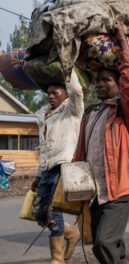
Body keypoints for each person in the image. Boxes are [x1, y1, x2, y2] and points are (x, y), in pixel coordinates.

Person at [72, 22, 129, 263]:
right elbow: (80, 153)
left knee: (105, 242)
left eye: (107, 79)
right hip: (94, 191)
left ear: (118, 83)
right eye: (98, 80)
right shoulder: (91, 114)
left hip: (118, 191)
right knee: (99, 244)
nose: (100, 84)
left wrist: (123, 41)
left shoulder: (125, 112)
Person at [30, 70, 84, 263]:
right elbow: (44, 148)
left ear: (66, 94)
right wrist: (38, 175)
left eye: (56, 93)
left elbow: (77, 90)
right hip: (47, 169)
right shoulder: (44, 116)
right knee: (40, 213)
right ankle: (71, 233)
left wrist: (67, 66)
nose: (51, 96)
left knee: (53, 213)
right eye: (49, 93)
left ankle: (57, 259)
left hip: (64, 166)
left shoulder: (72, 110)